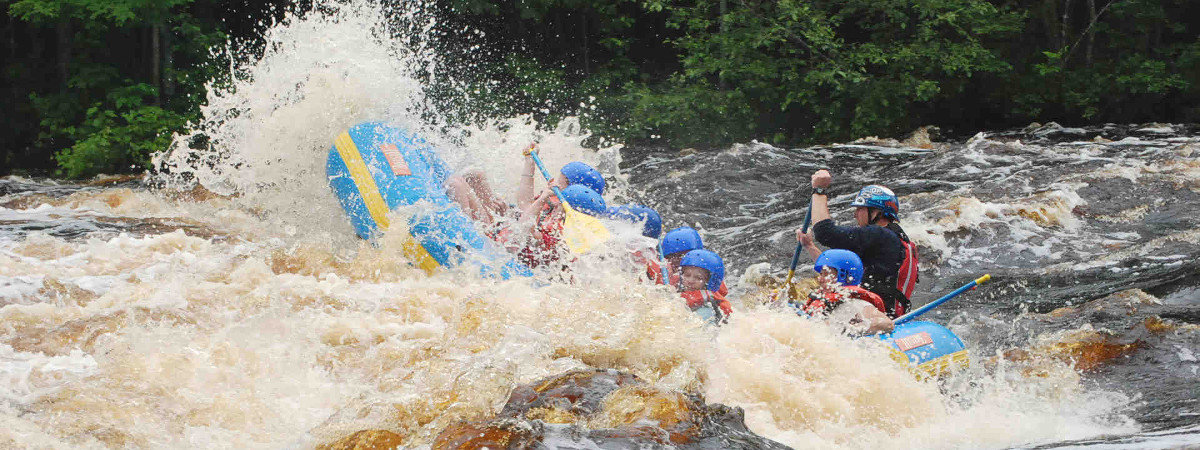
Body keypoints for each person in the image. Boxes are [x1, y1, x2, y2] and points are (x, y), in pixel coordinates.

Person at [797, 170, 919, 318]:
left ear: (876, 212)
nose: (855, 214)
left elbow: (825, 233)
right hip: (884, 313)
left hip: (875, 317)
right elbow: (834, 271)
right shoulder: (891, 240)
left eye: (860, 208)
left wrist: (819, 190)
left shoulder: (880, 235)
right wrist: (809, 245)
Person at [796, 249, 894, 335]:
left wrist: (843, 329)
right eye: (821, 274)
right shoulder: (823, 299)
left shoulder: (855, 303)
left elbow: (886, 323)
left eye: (825, 274)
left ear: (845, 277)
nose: (820, 279)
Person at [515, 183, 606, 268]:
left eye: (557, 207)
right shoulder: (595, 246)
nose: (553, 208)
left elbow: (522, 231)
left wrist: (541, 200)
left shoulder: (555, 242)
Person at [647, 227, 729, 296]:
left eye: (681, 256)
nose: (675, 260)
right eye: (671, 256)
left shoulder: (711, 276)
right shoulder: (659, 271)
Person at [677, 249, 732, 323]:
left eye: (698, 278)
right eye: (687, 275)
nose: (690, 281)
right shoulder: (674, 292)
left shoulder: (707, 311)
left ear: (710, 282)